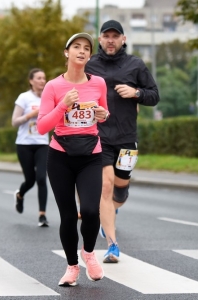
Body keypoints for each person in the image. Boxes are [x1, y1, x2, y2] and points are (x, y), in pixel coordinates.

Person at [37, 33, 109, 286]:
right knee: (68, 216)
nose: (81, 51)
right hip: (60, 157)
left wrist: (103, 114)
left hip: (91, 155)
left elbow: (103, 113)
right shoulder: (53, 87)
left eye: (86, 48)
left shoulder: (99, 83)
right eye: (76, 47)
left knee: (90, 211)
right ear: (66, 53)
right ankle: (71, 267)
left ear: (90, 55)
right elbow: (42, 127)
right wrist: (63, 106)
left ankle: (88, 252)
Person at [85, 20, 160, 263]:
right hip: (100, 136)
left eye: (115, 36)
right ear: (99, 39)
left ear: (123, 39)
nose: (110, 40)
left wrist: (135, 92)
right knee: (105, 188)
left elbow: (154, 95)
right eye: (106, 36)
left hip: (127, 138)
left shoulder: (135, 64)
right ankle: (112, 245)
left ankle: (114, 207)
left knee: (120, 190)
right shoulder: (90, 65)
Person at [11, 68, 49, 227]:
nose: (42, 81)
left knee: (41, 178)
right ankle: (20, 195)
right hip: (24, 144)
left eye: (44, 78)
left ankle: (42, 215)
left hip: (42, 143)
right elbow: (14, 122)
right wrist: (30, 115)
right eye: (39, 78)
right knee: (30, 180)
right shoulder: (24, 98)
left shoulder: (49, 97)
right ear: (31, 81)